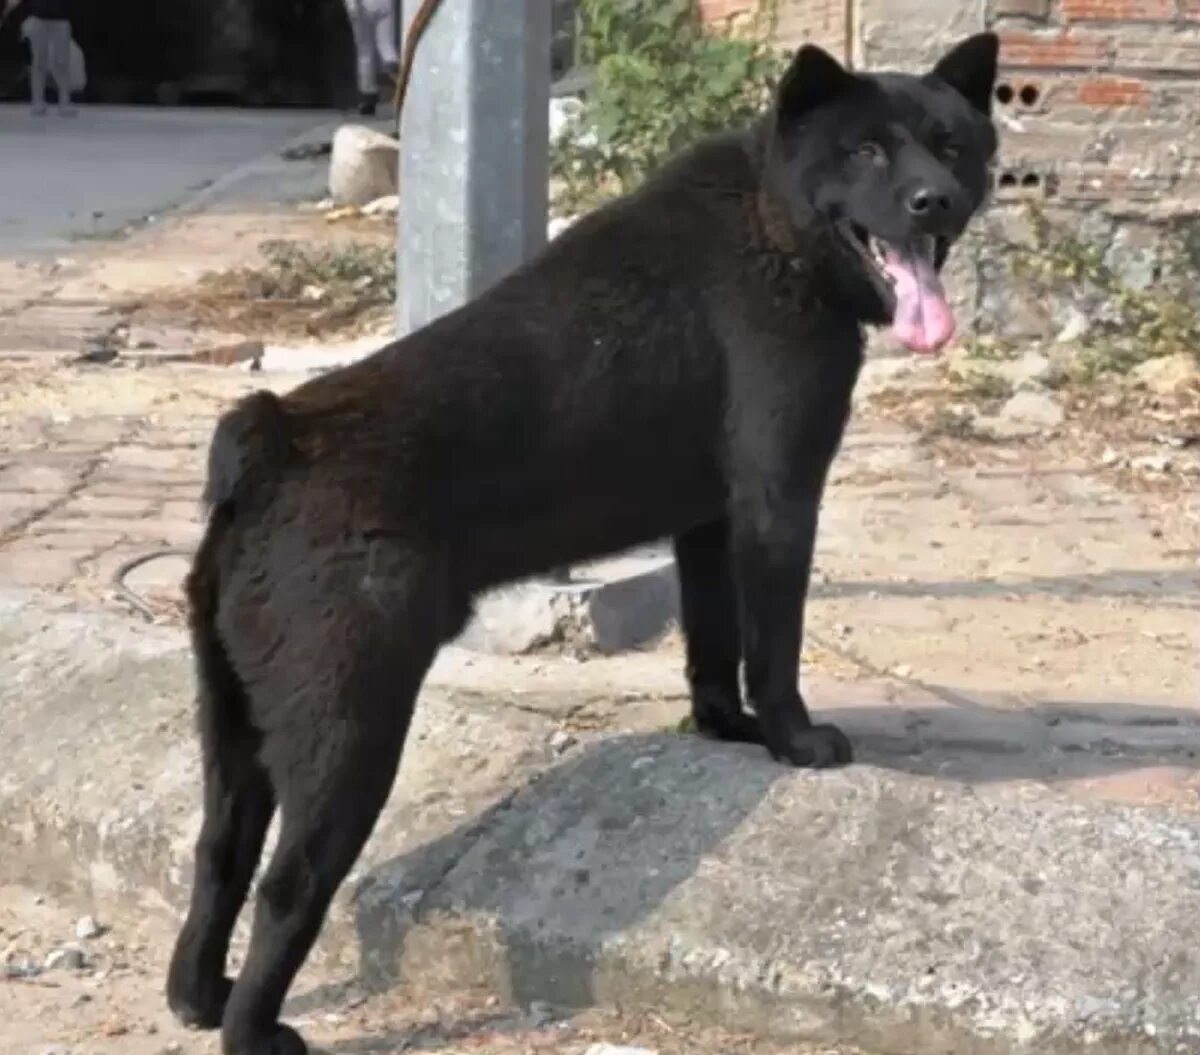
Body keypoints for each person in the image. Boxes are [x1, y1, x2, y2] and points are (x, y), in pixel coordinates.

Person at [4, 0, 74, 116]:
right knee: (38, 62)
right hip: (38, 19)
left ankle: (65, 102)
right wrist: (9, 7)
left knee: (62, 63)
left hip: (61, 21)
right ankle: (37, 101)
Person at [343, 0, 397, 117]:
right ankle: (399, 82)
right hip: (385, 3)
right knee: (386, 45)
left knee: (365, 52)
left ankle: (368, 98)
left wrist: (351, 4)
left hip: (362, 6)